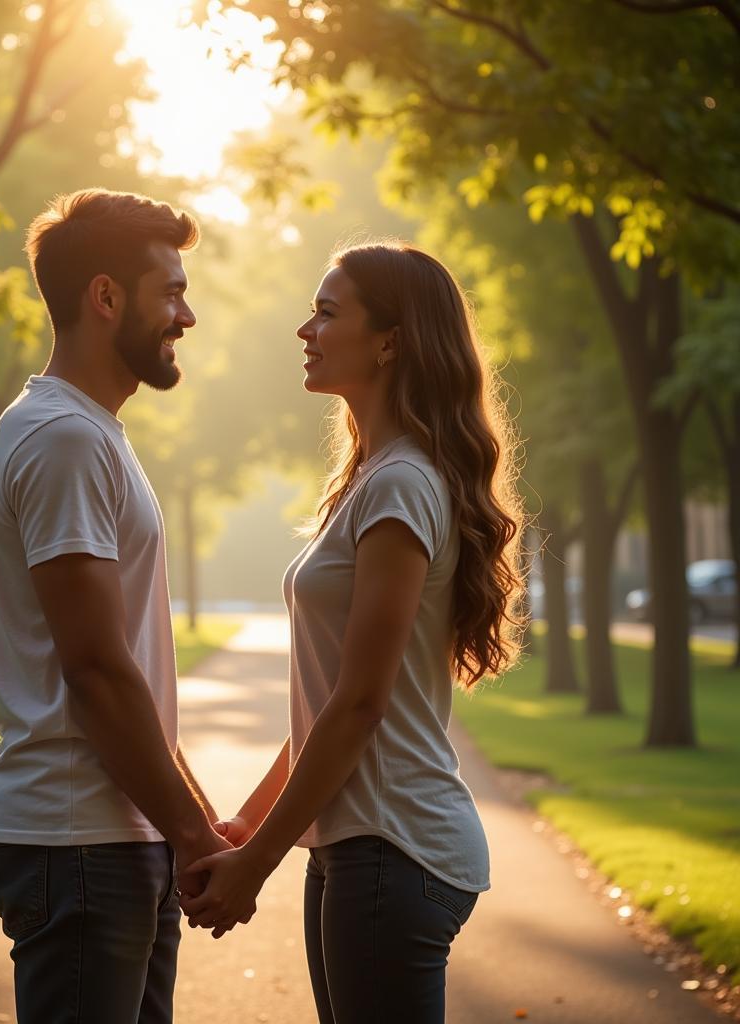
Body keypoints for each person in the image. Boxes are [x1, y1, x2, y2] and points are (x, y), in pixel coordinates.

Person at [181, 241, 526, 1024]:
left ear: (391, 340)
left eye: (327, 312)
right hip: (358, 846)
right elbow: (329, 702)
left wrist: (253, 867)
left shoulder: (402, 484)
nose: (306, 329)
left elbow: (362, 704)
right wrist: (246, 825)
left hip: (392, 848)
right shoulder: (375, 481)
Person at [0, 188, 232, 1024]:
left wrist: (191, 825)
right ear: (106, 296)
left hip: (113, 833)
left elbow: (130, 675)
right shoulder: (66, 440)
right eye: (172, 292)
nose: (185, 316)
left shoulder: (89, 433)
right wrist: (193, 837)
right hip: (76, 837)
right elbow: (96, 671)